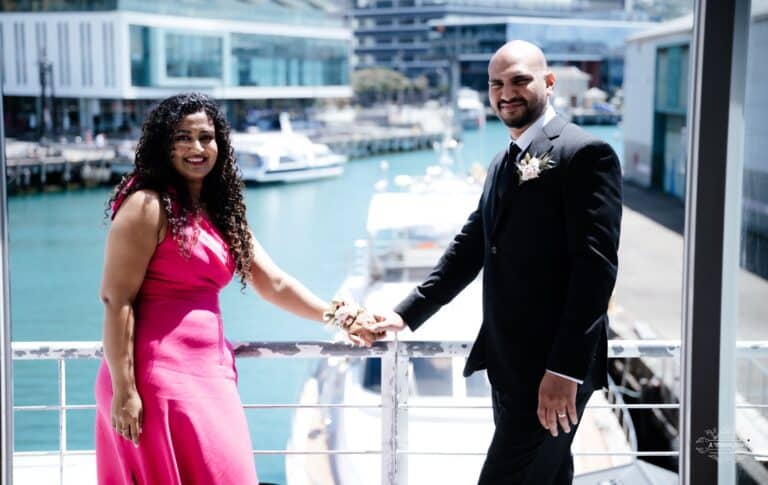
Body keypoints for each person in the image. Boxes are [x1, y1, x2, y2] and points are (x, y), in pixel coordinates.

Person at [94, 92, 381, 484]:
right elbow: (116, 300)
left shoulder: (219, 211)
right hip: (153, 380)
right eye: (183, 137)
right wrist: (125, 389)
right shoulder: (147, 204)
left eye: (206, 137)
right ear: (164, 144)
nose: (197, 148)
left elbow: (275, 283)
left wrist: (341, 316)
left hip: (209, 376)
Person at [369, 40, 622, 484]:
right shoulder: (501, 162)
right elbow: (471, 248)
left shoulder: (585, 154)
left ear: (548, 82)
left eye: (520, 80)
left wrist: (563, 370)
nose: (507, 92)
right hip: (506, 366)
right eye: (496, 84)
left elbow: (595, 270)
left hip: (553, 372)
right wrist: (404, 314)